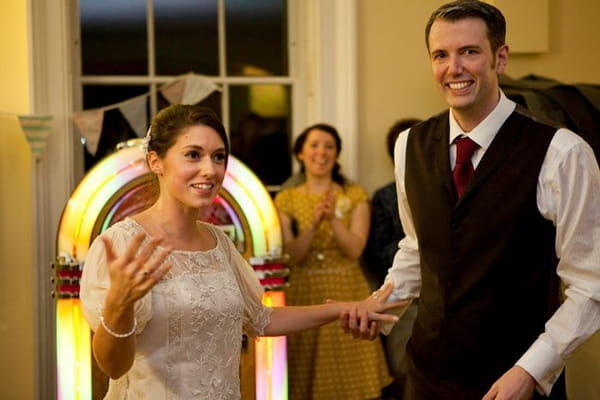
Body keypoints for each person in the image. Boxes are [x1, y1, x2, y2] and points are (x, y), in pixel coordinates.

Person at [342, 1, 600, 399]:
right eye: (441, 55)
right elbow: (417, 248)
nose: (454, 68)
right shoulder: (409, 145)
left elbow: (589, 285)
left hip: (515, 380)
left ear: (500, 58)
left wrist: (530, 372)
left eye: (469, 52)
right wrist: (381, 305)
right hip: (427, 375)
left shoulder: (562, 153)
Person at [79, 105, 402, 400]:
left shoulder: (219, 243)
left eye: (218, 157)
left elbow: (261, 319)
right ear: (155, 161)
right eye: (193, 155)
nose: (210, 169)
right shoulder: (121, 244)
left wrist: (344, 308)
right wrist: (119, 306)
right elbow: (113, 367)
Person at [274, 123, 393, 400]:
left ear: (336, 154)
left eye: (329, 146)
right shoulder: (286, 198)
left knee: (348, 376)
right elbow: (291, 256)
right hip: (303, 292)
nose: (321, 152)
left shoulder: (354, 196)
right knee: (304, 373)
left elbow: (355, 250)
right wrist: (313, 224)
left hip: (346, 286)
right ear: (300, 153)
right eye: (314, 145)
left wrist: (333, 220)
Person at [362, 118, 421, 399]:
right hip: (404, 300)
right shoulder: (385, 196)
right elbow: (374, 251)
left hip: (448, 297)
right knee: (403, 367)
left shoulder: (448, 190)